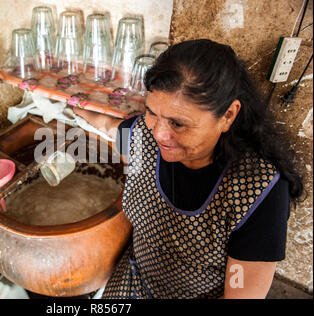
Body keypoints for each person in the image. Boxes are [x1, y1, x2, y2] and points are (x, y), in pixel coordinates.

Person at [73, 39, 304, 299]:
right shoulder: (141, 135)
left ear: (228, 115)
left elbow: (241, 295)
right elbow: (108, 125)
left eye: (178, 124)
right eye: (151, 112)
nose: (159, 133)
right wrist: (75, 111)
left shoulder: (257, 192)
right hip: (132, 284)